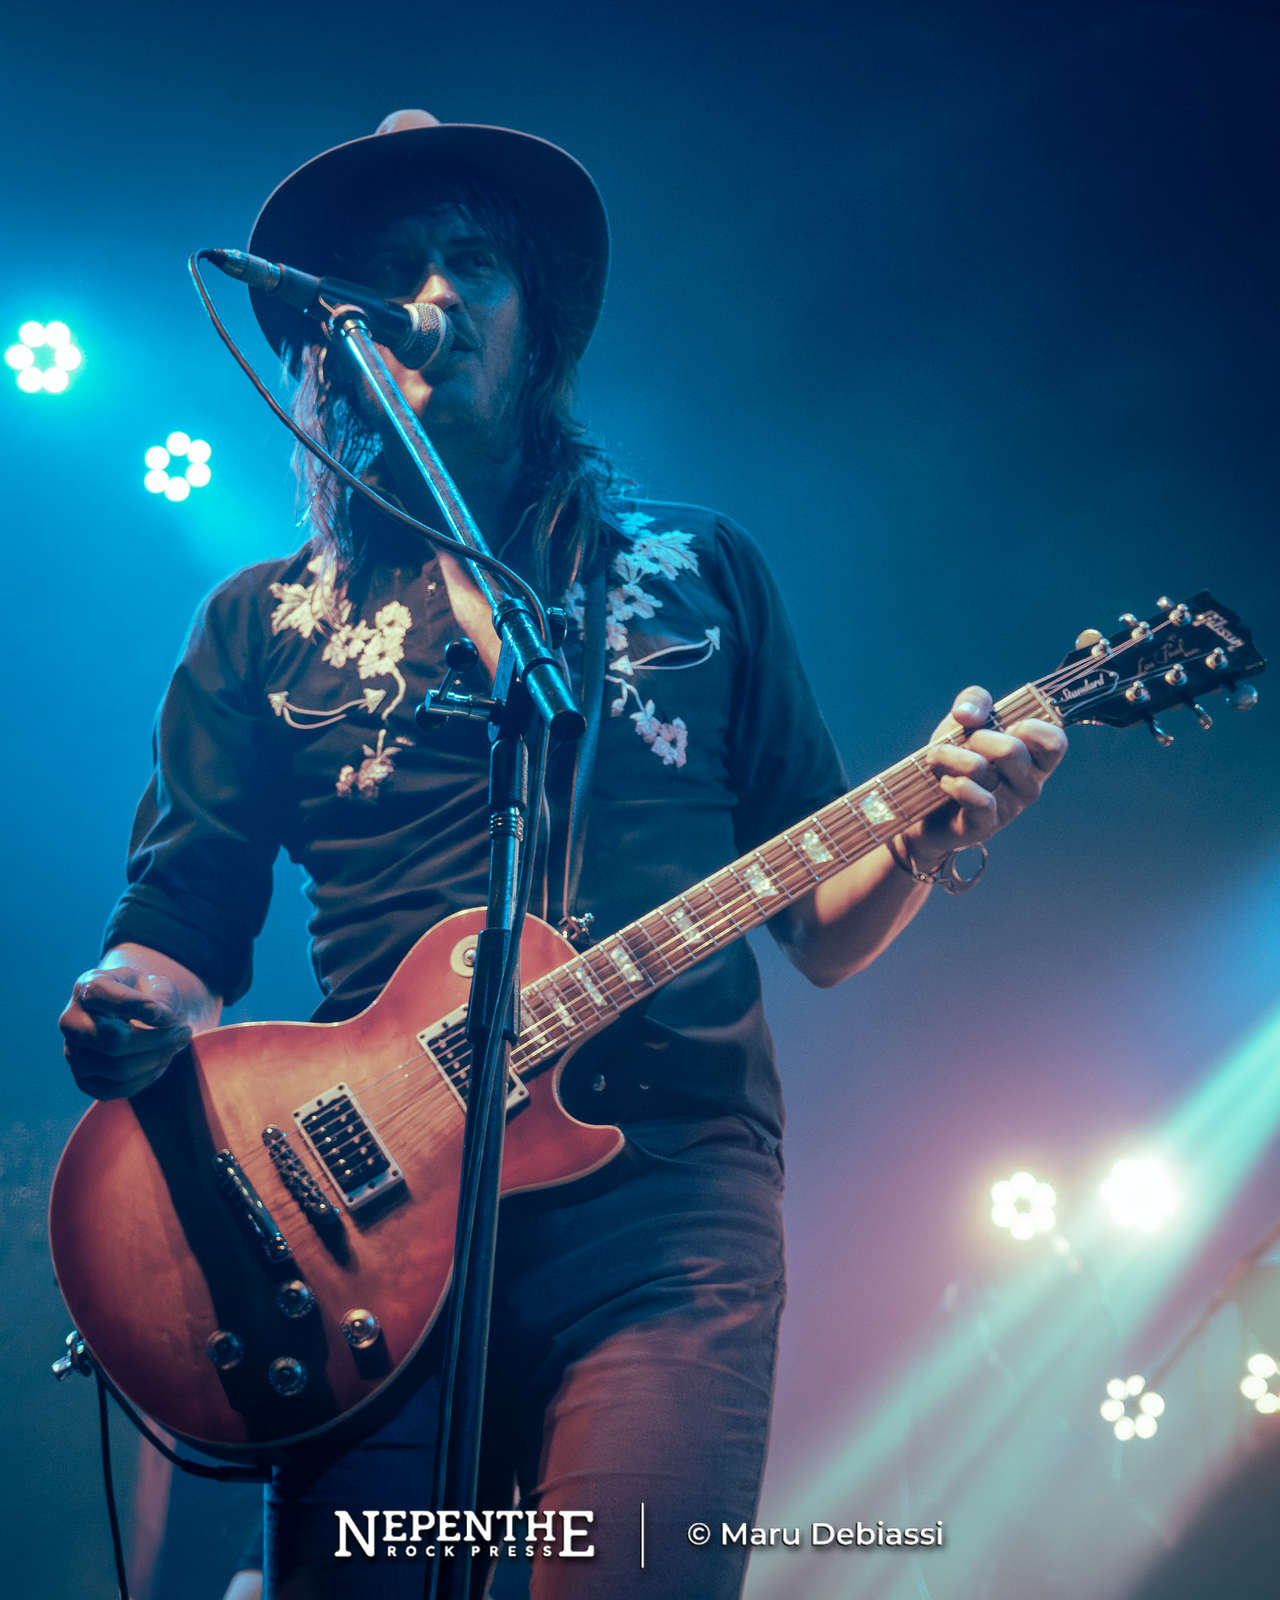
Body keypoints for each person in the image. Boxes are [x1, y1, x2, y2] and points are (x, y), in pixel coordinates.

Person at [59, 111, 1067, 1598]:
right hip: (365, 1216)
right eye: (392, 269)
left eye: (473, 263)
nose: (433, 295)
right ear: (331, 335)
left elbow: (826, 931)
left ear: (536, 318)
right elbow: (181, 928)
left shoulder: (697, 570)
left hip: (664, 1205)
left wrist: (932, 830)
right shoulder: (259, 623)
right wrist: (132, 1002)